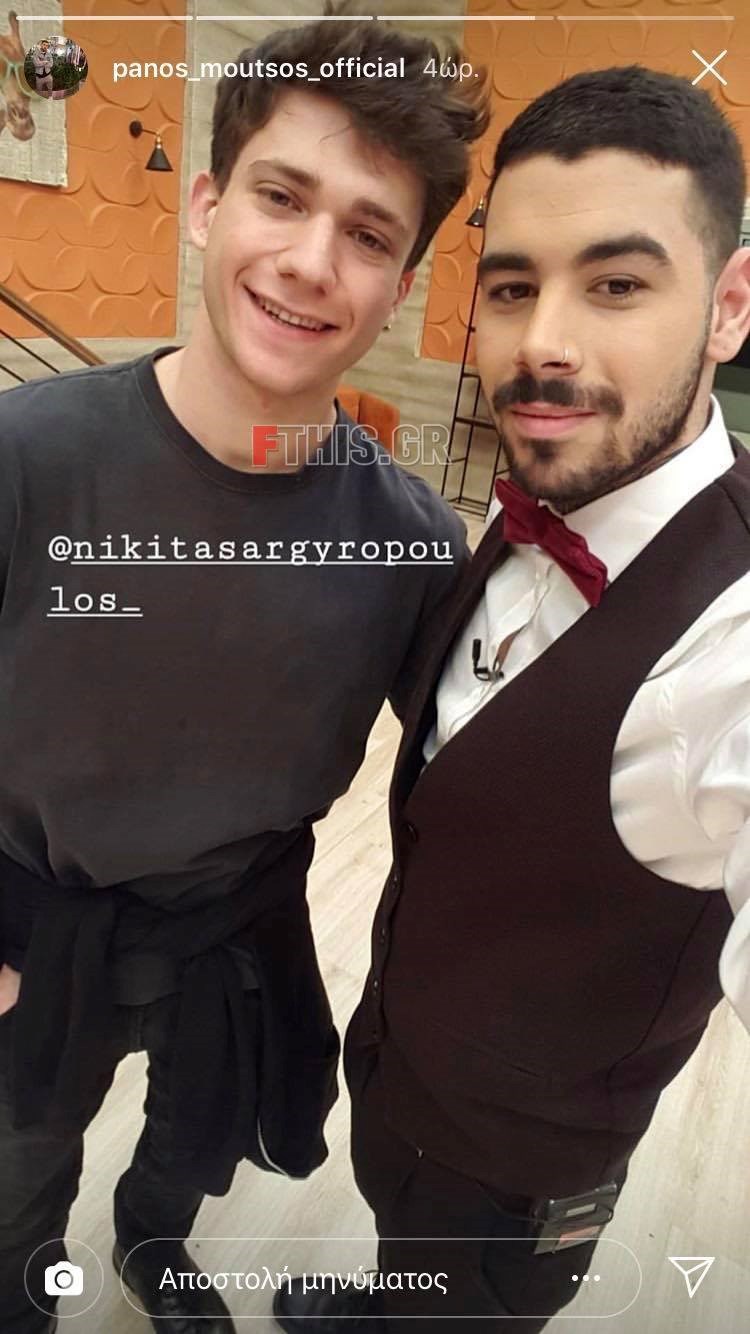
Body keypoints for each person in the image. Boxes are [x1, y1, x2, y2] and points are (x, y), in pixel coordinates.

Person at [0, 13, 490, 1334]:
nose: (312, 261)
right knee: (15, 1178)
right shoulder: (27, 457)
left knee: (190, 1137)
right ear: (208, 204)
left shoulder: (410, 541)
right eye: (283, 196)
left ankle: (153, 1247)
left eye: (370, 234)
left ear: (401, 284)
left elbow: (480, 776)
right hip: (33, 927)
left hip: (232, 928)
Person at [274, 64, 750, 1334]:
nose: (545, 341)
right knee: (401, 1264)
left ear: (728, 306)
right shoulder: (538, 492)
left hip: (517, 1181)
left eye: (619, 283)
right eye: (512, 286)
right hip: (402, 1088)